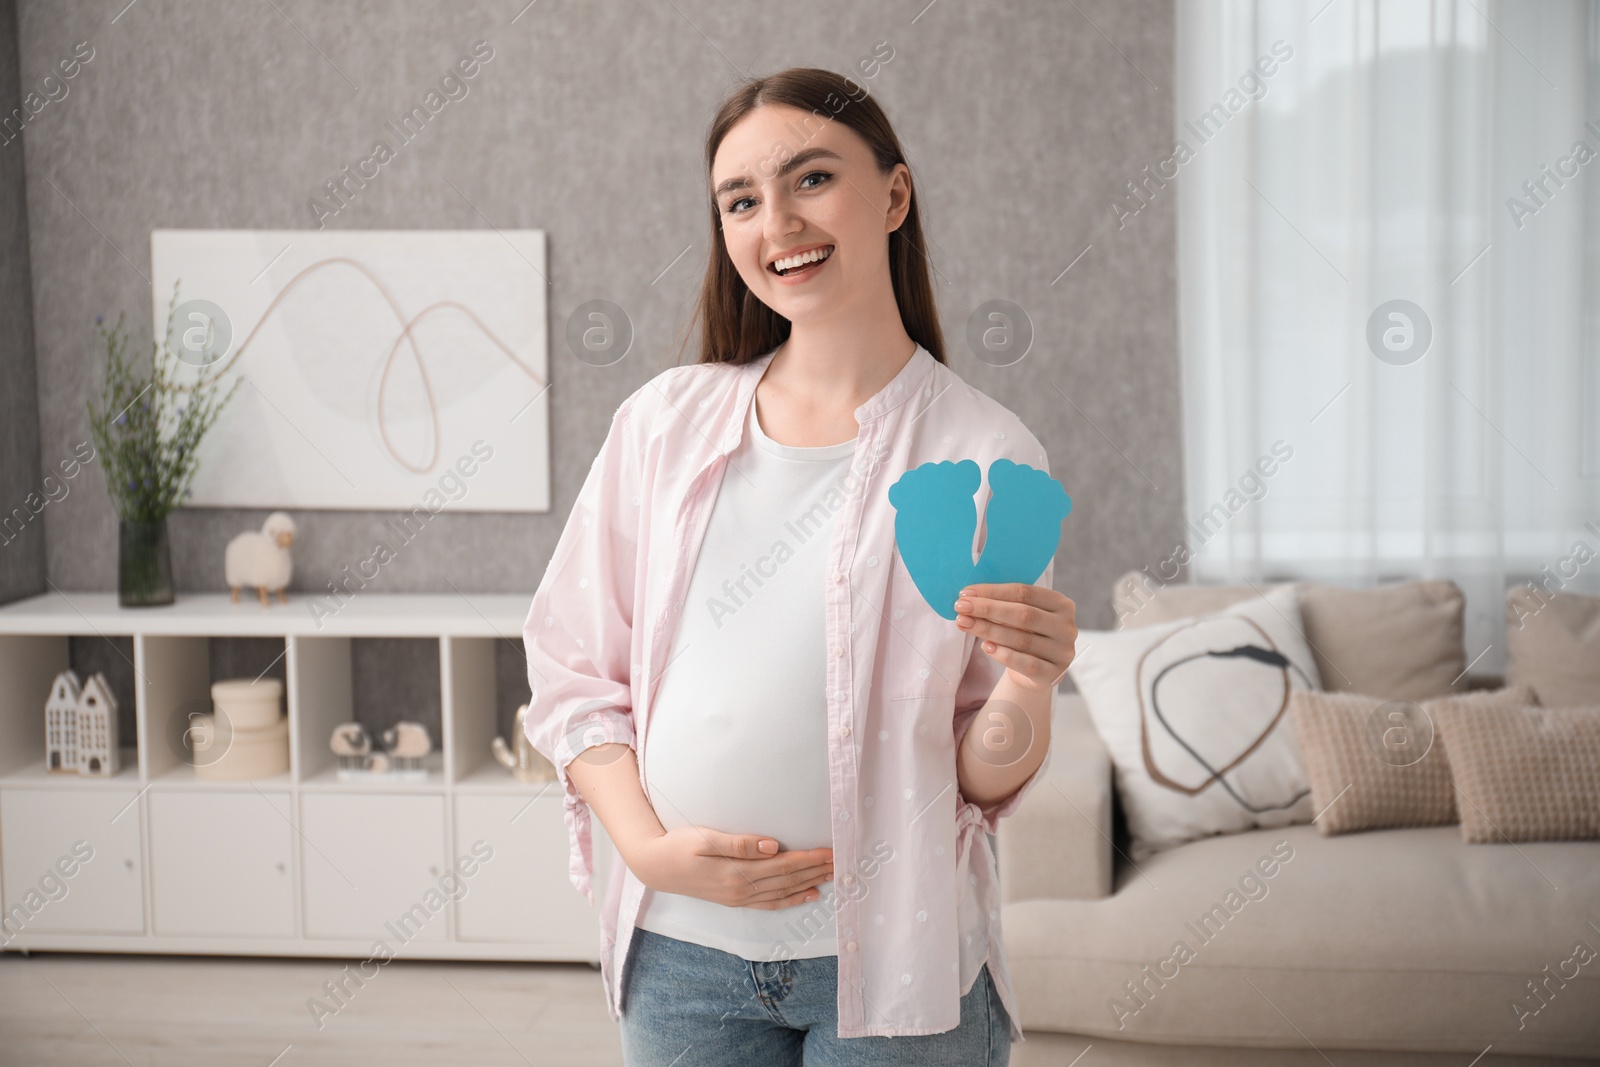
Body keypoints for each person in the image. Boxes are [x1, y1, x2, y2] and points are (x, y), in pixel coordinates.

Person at [522, 65, 1078, 1066]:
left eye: (810, 179)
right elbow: (573, 674)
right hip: (680, 956)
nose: (775, 220)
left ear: (893, 196)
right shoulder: (660, 425)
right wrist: (644, 846)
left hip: (893, 967)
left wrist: (1032, 681)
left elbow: (975, 771)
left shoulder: (988, 455)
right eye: (741, 199)